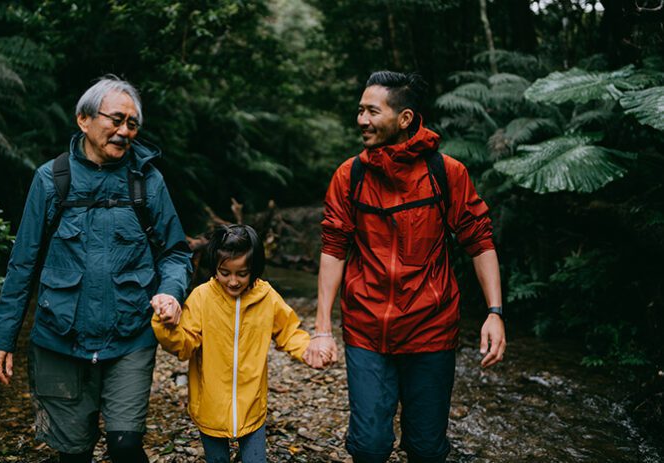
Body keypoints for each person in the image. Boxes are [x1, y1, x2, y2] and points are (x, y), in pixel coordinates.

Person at [303, 70, 506, 463]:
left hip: (431, 329)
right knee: (369, 447)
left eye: (372, 111)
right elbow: (333, 249)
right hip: (366, 329)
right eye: (360, 110)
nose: (361, 119)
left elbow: (479, 242)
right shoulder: (350, 175)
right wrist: (322, 329)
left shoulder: (447, 174)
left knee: (427, 448)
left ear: (405, 118)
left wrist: (494, 313)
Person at [0, 75, 192, 463]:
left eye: (132, 124)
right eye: (115, 119)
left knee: (126, 447)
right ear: (83, 119)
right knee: (73, 453)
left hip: (130, 336)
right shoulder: (51, 180)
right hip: (59, 339)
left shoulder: (147, 181)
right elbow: (23, 264)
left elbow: (176, 253)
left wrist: (171, 291)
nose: (124, 131)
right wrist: (4, 338)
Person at [152, 224, 313, 463]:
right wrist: (166, 326)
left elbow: (289, 331)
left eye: (242, 273)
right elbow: (183, 345)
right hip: (210, 405)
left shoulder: (266, 297)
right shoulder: (202, 298)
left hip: (252, 405)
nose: (233, 281)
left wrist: (308, 350)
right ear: (215, 267)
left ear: (255, 269)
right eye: (225, 272)